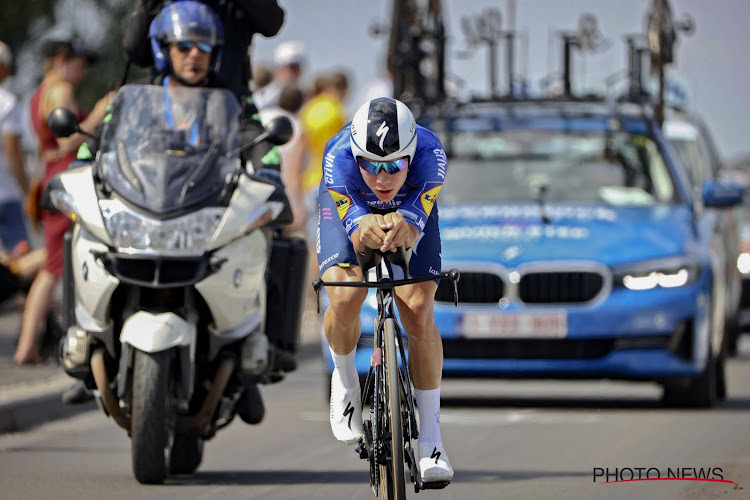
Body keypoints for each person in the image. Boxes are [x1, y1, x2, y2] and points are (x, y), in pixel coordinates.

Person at [318, 97, 453, 483]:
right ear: (356, 157)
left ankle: (431, 442)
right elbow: (355, 227)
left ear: (410, 155)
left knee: (418, 306)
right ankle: (345, 381)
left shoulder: (431, 155)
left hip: (410, 205)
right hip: (348, 201)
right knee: (345, 294)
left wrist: (406, 224)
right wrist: (363, 226)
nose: (382, 177)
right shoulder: (339, 158)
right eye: (371, 165)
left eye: (394, 165)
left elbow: (413, 226)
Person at [13, 39, 111, 366]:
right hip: (67, 181)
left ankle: (29, 343)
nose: (82, 71)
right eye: (79, 63)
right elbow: (68, 140)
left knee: (52, 265)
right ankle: (27, 345)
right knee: (54, 267)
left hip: (52, 175)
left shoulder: (42, 91)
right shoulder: (60, 92)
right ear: (61, 60)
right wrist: (99, 111)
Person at [123, 0, 284, 101]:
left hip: (228, 105)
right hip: (168, 102)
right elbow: (136, 51)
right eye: (185, 46)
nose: (195, 52)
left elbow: (271, 23)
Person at [0, 41, 29, 256]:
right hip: (6, 195)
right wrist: (27, 191)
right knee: (21, 264)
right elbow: (13, 154)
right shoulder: (7, 103)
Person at [253, 40, 305, 111]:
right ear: (279, 69)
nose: (295, 73)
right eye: (291, 68)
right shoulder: (265, 98)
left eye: (297, 68)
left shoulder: (303, 96)